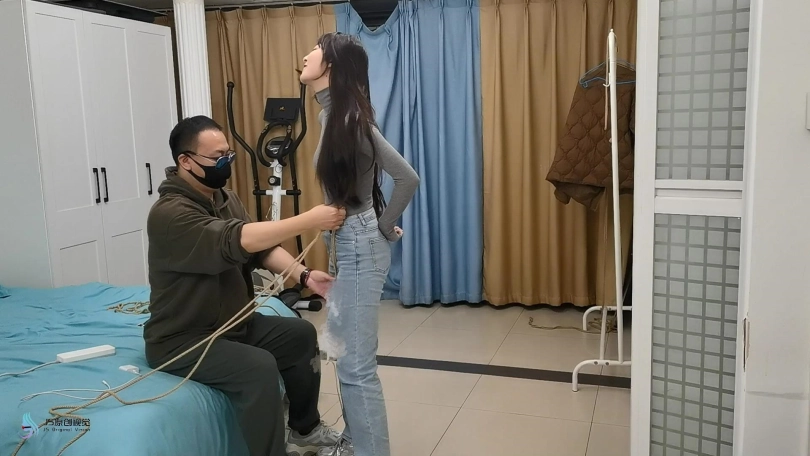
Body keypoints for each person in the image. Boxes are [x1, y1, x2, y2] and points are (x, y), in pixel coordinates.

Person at [143, 115, 346, 456]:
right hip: (184, 339)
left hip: (233, 326)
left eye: (229, 154)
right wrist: (310, 219)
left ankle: (305, 429)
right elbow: (235, 240)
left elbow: (259, 249)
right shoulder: (169, 214)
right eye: (217, 157)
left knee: (300, 335)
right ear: (185, 161)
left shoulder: (224, 198)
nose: (226, 162)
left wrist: (304, 275)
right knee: (258, 368)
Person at [299, 32, 420, 456]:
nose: (306, 55)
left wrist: (384, 227)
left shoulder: (352, 121)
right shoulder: (331, 115)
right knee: (344, 356)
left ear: (331, 65)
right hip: (345, 241)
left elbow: (407, 178)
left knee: (356, 367)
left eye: (316, 49)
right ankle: (353, 442)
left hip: (359, 242)